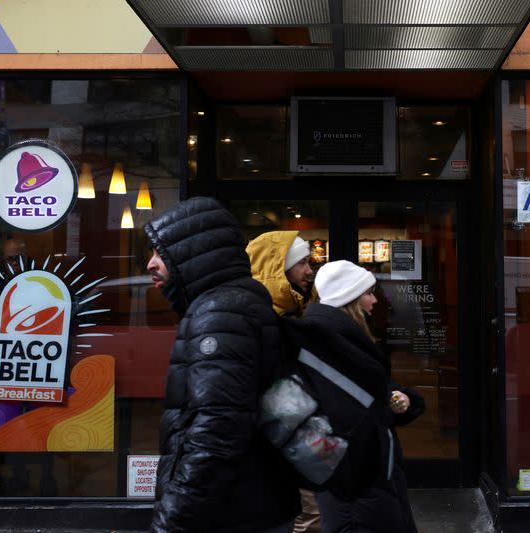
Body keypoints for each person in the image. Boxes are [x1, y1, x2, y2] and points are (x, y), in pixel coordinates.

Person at [144, 197, 300, 533]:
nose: (151, 264)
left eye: (161, 253)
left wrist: (174, 517)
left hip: (232, 512)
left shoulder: (218, 313)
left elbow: (217, 429)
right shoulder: (234, 302)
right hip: (252, 502)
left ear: (191, 255)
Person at [281, 260, 424, 533]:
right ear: (350, 299)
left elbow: (369, 395)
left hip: (364, 479)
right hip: (356, 484)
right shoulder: (326, 340)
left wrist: (404, 400)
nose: (375, 300)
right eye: (369, 293)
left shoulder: (342, 337)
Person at [246, 231, 321, 532]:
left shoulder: (290, 313)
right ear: (277, 268)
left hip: (293, 439)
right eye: (302, 262)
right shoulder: (263, 319)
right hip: (282, 442)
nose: (309, 270)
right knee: (308, 516)